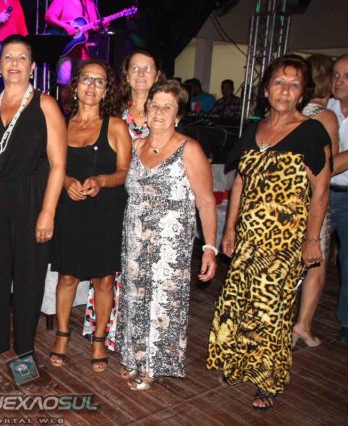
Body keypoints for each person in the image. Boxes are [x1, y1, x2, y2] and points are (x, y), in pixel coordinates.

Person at [207, 55, 331, 410]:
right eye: (279, 82)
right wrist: (230, 227)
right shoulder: (255, 128)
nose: (285, 91)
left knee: (272, 309)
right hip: (249, 236)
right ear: (265, 89)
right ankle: (239, 364)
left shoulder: (311, 132)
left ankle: (268, 380)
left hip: (284, 240)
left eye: (294, 85)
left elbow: (320, 190)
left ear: (302, 93)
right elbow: (240, 182)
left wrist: (311, 240)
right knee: (240, 301)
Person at [0, 34, 66, 378]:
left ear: (32, 67)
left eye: (21, 58)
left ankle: (25, 351)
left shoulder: (46, 105)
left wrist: (48, 211)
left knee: (28, 279)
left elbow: (59, 163)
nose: (14, 63)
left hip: (31, 199)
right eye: (8, 57)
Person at [117, 79, 217, 391]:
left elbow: (206, 201)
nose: (159, 111)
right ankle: (135, 357)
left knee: (162, 303)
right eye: (154, 105)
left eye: (167, 107)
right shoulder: (134, 147)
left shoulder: (190, 149)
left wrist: (210, 248)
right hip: (134, 240)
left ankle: (153, 365)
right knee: (134, 299)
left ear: (178, 115)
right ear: (146, 110)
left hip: (170, 246)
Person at [49, 59, 131, 372]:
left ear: (107, 90)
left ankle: (98, 340)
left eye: (99, 81)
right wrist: (67, 182)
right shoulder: (61, 124)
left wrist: (100, 181)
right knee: (67, 276)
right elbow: (51, 166)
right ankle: (62, 336)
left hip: (105, 212)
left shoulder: (116, 126)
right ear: (76, 85)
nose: (92, 86)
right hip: (70, 210)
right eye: (86, 79)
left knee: (104, 279)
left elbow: (125, 171)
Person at [293, 54, 340, 348]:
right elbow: (329, 165)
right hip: (312, 198)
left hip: (288, 198)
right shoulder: (324, 116)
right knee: (315, 264)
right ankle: (303, 325)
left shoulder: (292, 112)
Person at [44, 0, 103, 110]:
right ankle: (66, 112)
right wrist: (65, 26)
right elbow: (49, 17)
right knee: (65, 81)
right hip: (65, 49)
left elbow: (94, 25)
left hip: (83, 51)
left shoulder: (89, 3)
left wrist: (101, 25)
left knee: (84, 83)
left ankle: (81, 111)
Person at [328, 53, 348, 343]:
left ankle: (346, 322)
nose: (339, 81)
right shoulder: (325, 108)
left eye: (346, 76)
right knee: (305, 257)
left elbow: (331, 164)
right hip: (319, 193)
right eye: (335, 74)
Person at [120, 48, 164, 141]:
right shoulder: (113, 110)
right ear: (127, 75)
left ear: (157, 76)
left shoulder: (166, 112)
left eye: (147, 69)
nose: (141, 74)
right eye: (135, 68)